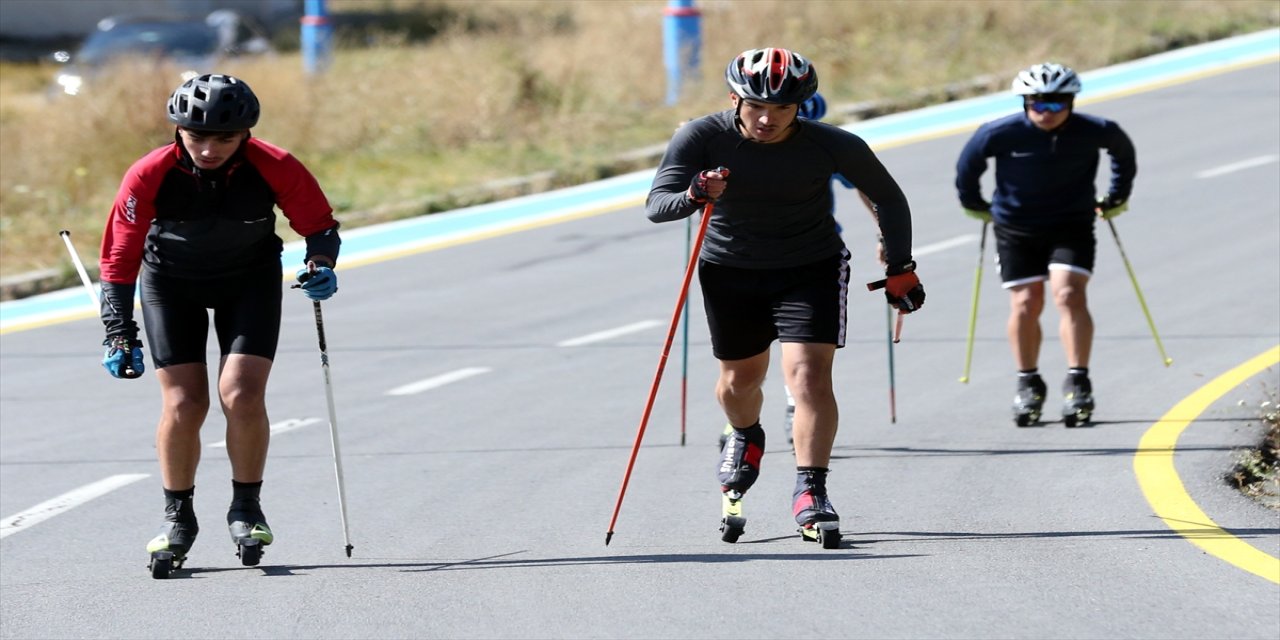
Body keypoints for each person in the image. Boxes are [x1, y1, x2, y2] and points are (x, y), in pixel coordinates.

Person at [647, 48, 925, 547]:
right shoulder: (701, 137)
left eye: (782, 108)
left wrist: (901, 267)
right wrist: (694, 194)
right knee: (737, 383)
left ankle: (811, 489)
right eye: (755, 105)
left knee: (809, 377)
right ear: (735, 99)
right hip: (731, 271)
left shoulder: (832, 144)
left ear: (803, 106)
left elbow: (888, 196)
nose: (767, 117)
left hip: (811, 267)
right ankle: (746, 434)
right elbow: (657, 206)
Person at [97, 73, 342, 574]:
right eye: (197, 137)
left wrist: (321, 264)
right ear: (178, 131)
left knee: (242, 394)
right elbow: (119, 257)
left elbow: (318, 226)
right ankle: (178, 519)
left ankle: (246, 509)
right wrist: (118, 330)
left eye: (224, 138)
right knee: (186, 402)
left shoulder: (275, 165)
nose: (209, 149)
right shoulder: (150, 172)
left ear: (246, 135)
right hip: (171, 284)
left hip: (247, 281)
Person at [954, 62, 1136, 427]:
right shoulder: (999, 132)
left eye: (1055, 104)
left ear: (1071, 103)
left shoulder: (1095, 130)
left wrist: (1116, 196)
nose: (1045, 112)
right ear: (1025, 104)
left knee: (1068, 295)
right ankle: (1028, 383)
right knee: (1025, 302)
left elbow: (1123, 155)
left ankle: (1078, 380)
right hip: (1016, 229)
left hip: (1072, 225)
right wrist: (976, 204)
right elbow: (967, 168)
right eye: (1037, 104)